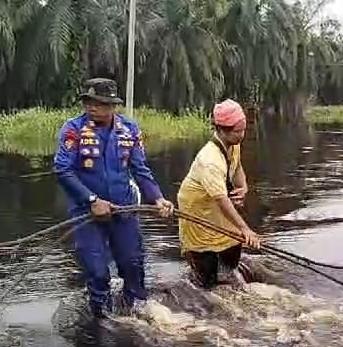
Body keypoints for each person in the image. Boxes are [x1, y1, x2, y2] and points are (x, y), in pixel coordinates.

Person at [53, 77, 174, 318]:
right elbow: (63, 170)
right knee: (97, 272)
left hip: (124, 209)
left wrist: (158, 198)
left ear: (111, 105)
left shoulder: (129, 130)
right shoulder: (73, 130)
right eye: (87, 101)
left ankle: (136, 314)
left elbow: (141, 170)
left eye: (97, 102)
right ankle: (101, 320)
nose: (91, 107)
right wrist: (92, 200)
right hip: (87, 213)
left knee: (132, 264)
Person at [176, 98, 261, 289]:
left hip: (215, 204)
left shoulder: (233, 144)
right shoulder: (210, 160)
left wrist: (243, 186)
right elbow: (222, 200)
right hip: (197, 210)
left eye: (243, 130)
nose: (242, 135)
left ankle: (231, 281)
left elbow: (236, 166)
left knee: (233, 247)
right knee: (206, 272)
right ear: (222, 130)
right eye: (238, 131)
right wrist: (246, 229)